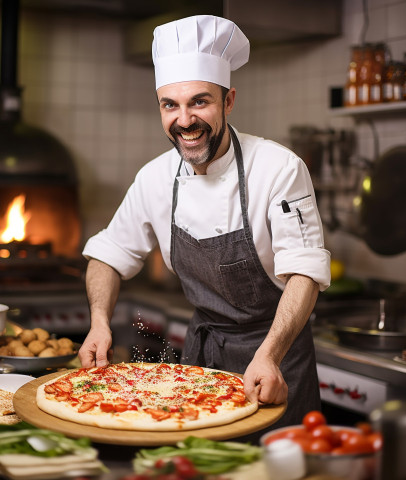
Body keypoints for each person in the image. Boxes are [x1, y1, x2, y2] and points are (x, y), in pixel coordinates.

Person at [79, 15, 331, 430]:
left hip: (275, 357)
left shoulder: (279, 168)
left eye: (199, 101)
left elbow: (304, 272)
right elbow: (109, 254)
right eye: (170, 105)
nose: (184, 120)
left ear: (228, 101)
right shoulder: (155, 177)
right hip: (202, 361)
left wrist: (268, 355)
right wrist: (100, 322)